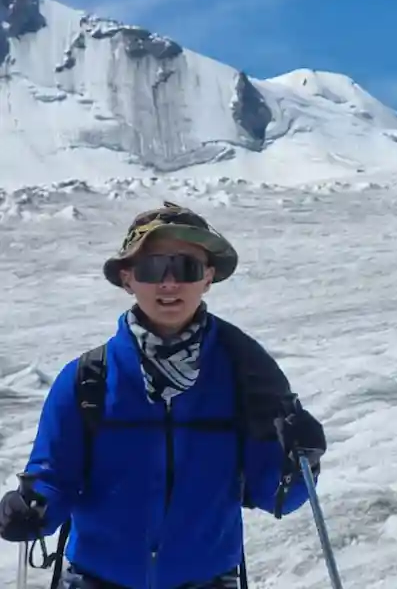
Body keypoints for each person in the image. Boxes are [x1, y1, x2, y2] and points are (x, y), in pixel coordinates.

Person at [0, 202, 328, 589]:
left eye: (186, 268)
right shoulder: (86, 379)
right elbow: (54, 477)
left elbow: (275, 497)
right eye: (152, 268)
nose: (169, 283)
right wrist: (32, 509)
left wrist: (300, 463)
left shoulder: (246, 376)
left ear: (208, 277)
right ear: (127, 279)